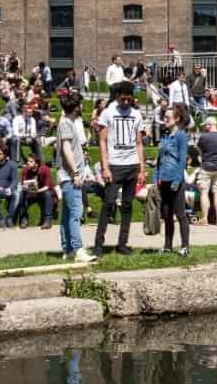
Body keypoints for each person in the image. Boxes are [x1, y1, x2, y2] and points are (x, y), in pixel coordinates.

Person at [93, 82, 145, 258]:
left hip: (132, 165)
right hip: (114, 166)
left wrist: (142, 169)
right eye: (122, 98)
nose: (125, 101)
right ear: (117, 96)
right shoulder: (108, 113)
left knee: (128, 205)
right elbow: (102, 141)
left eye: (128, 98)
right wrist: (105, 166)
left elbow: (139, 143)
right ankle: (98, 245)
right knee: (108, 203)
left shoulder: (137, 114)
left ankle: (122, 244)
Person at [56, 92, 94, 262]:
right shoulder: (66, 123)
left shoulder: (67, 122)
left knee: (66, 215)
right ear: (76, 106)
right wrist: (76, 172)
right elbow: (66, 148)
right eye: (80, 104)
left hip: (68, 176)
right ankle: (78, 249)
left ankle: (68, 249)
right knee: (75, 214)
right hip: (71, 177)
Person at [156, 104, 191, 256]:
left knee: (180, 214)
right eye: (164, 117)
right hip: (163, 180)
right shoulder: (165, 136)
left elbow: (182, 160)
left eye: (167, 118)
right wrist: (156, 178)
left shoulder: (181, 136)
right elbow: (160, 159)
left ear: (177, 119)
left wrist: (177, 181)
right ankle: (168, 245)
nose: (165, 120)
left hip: (175, 180)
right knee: (166, 214)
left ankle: (184, 246)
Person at [196, 117, 217, 226]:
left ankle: (205, 218)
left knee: (204, 193)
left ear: (209, 125)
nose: (205, 127)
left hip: (206, 167)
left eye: (205, 125)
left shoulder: (204, 136)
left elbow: (199, 149)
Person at [18, 154, 55, 229]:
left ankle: (47, 220)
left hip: (43, 191)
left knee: (48, 194)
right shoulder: (25, 170)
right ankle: (24, 219)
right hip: (31, 192)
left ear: (36, 164)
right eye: (28, 161)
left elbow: (47, 187)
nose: (28, 162)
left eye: (31, 161)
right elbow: (23, 184)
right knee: (21, 194)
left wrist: (37, 191)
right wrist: (26, 189)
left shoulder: (45, 169)